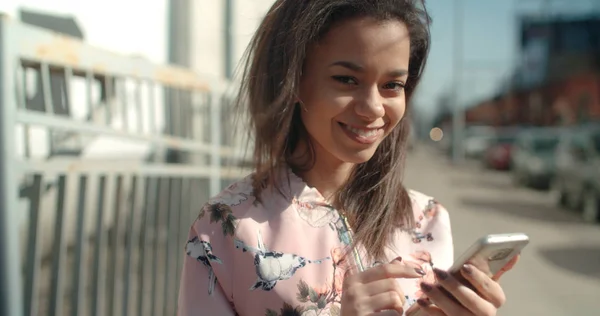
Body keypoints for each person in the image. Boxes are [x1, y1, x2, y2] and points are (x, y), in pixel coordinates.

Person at [178, 0, 518, 315]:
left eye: (392, 85)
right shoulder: (226, 229)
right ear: (294, 79)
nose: (372, 108)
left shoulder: (426, 221)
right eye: (346, 79)